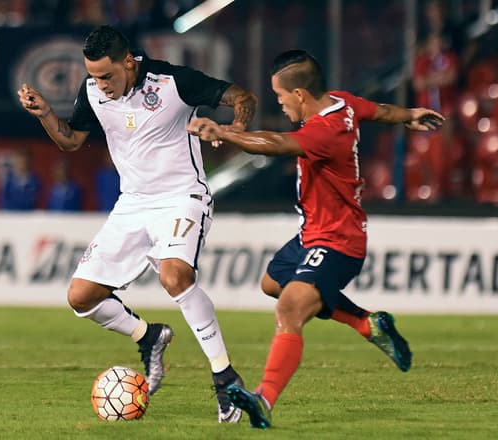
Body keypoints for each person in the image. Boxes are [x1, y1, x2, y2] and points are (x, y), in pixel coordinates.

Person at [187, 49, 445, 429]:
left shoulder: (326, 130)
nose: (280, 103)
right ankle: (367, 324)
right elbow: (380, 110)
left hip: (338, 241)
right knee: (272, 283)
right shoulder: (343, 103)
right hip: (312, 235)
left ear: (301, 96)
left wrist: (224, 131)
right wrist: (409, 115)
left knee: (290, 309)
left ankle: (263, 400)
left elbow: (276, 143)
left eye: (280, 97)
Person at [17, 25, 257, 422]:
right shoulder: (92, 91)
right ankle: (148, 336)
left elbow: (241, 97)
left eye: (107, 75)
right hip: (132, 204)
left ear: (129, 62)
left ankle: (225, 379)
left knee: (174, 277)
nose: (101, 84)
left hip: (182, 197)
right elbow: (72, 140)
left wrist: (234, 130)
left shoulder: (173, 82)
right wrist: (45, 114)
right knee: (80, 297)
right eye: (94, 76)